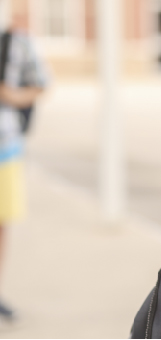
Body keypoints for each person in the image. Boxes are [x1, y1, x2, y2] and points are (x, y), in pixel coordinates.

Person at [0, 24, 48, 319]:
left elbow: (40, 83)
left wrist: (9, 95)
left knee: (1, 225)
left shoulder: (15, 42)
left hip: (4, 150)